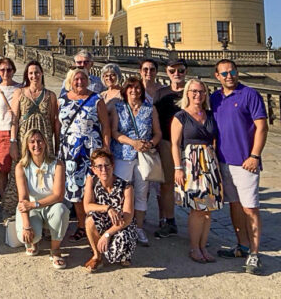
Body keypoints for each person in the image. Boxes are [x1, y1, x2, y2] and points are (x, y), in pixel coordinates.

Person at [211, 59, 268, 274]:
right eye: (224, 73)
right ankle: (242, 245)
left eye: (232, 71)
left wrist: (255, 155)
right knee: (234, 205)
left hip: (246, 163)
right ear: (217, 76)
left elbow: (262, 127)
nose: (229, 76)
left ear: (238, 72)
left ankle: (254, 254)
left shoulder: (249, 94)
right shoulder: (215, 98)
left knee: (250, 208)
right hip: (224, 161)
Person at [171, 79, 223, 264]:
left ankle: (203, 246)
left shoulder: (209, 114)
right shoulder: (180, 116)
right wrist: (178, 168)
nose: (197, 95)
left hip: (209, 163)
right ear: (187, 93)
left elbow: (215, 140)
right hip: (191, 165)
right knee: (197, 209)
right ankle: (194, 248)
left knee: (208, 209)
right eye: (194, 91)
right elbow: (175, 145)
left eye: (201, 91)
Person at [58, 68, 111, 241]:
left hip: (91, 152)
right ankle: (82, 225)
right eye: (76, 79)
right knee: (75, 190)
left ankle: (99, 225)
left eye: (82, 79)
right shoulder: (62, 100)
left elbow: (105, 126)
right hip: (70, 152)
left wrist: (106, 148)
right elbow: (57, 126)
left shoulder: (97, 99)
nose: (79, 82)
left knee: (94, 188)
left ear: (88, 80)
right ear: (70, 81)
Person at [2, 61, 59, 219]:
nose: (34, 76)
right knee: (20, 171)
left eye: (37, 72)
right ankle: (16, 210)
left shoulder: (50, 95)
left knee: (45, 173)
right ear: (27, 75)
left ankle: (46, 209)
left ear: (42, 74)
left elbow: (54, 121)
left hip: (44, 140)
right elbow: (14, 119)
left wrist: (57, 144)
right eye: (31, 73)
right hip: (24, 140)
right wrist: (13, 142)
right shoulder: (19, 93)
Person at [110, 76, 162, 247]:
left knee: (141, 193)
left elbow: (158, 133)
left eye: (138, 88)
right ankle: (118, 226)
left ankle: (138, 227)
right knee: (119, 194)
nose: (134, 91)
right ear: (125, 90)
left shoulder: (150, 109)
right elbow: (114, 132)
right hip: (123, 155)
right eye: (131, 88)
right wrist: (133, 142)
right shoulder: (119, 108)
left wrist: (151, 143)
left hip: (143, 157)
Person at [15, 129, 70, 265]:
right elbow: (23, 198)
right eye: (32, 142)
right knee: (29, 236)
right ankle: (35, 242)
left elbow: (58, 195)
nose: (36, 145)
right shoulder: (21, 166)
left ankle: (55, 249)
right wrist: (26, 225)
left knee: (61, 210)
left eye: (39, 141)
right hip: (30, 207)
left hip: (51, 205)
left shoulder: (57, 165)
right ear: (27, 146)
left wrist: (35, 204)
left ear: (45, 143)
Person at [83, 149, 137, 271]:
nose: (103, 170)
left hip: (121, 225)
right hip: (104, 219)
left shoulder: (126, 186)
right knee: (90, 220)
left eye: (107, 165)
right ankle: (97, 256)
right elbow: (87, 207)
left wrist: (107, 234)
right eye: (99, 166)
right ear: (94, 169)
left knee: (123, 241)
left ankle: (124, 255)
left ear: (113, 166)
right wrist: (108, 208)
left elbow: (128, 218)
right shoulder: (92, 181)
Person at [152, 58, 187, 238]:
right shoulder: (161, 94)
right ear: (167, 72)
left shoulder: (192, 91)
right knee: (166, 184)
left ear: (185, 72)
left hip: (190, 145)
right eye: (172, 71)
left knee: (193, 184)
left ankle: (197, 222)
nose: (176, 74)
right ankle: (170, 221)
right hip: (166, 143)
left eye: (180, 71)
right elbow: (154, 119)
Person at [0, 57, 21, 201]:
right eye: (2, 70)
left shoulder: (20, 88)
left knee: (17, 168)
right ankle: (4, 199)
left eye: (9, 69)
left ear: (13, 71)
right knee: (2, 170)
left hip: (17, 131)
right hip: (0, 131)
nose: (6, 72)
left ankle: (16, 198)